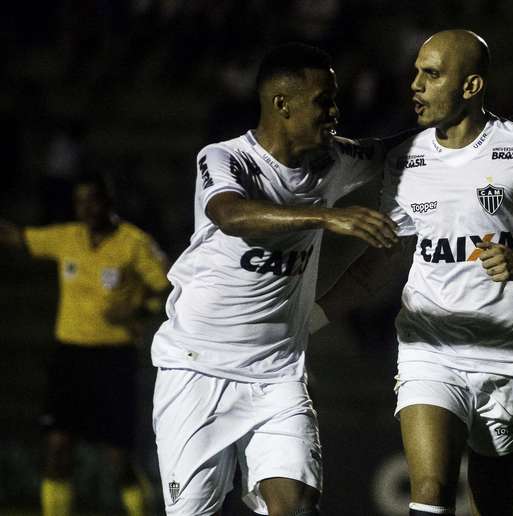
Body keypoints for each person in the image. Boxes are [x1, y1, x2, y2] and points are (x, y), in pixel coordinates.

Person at [318, 30, 513, 516]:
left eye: (432, 74)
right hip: (428, 347)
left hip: (507, 354)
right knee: (431, 494)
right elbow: (386, 256)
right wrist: (309, 319)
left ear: (471, 85)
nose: (415, 85)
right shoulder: (406, 159)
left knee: (492, 504)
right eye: (416, 72)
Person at [149, 42, 399, 516]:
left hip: (277, 374)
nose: (334, 111)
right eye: (323, 100)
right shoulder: (226, 159)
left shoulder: (335, 161)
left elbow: (398, 147)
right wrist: (325, 219)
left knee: (297, 506)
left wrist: (499, 132)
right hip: (197, 368)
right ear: (282, 104)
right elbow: (230, 214)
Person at [0, 174, 170, 516]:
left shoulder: (134, 243)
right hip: (70, 357)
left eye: (93, 200)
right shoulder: (67, 238)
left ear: (110, 201)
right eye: (80, 201)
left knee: (118, 458)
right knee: (57, 448)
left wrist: (139, 308)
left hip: (113, 359)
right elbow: (17, 237)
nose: (86, 208)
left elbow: (168, 288)